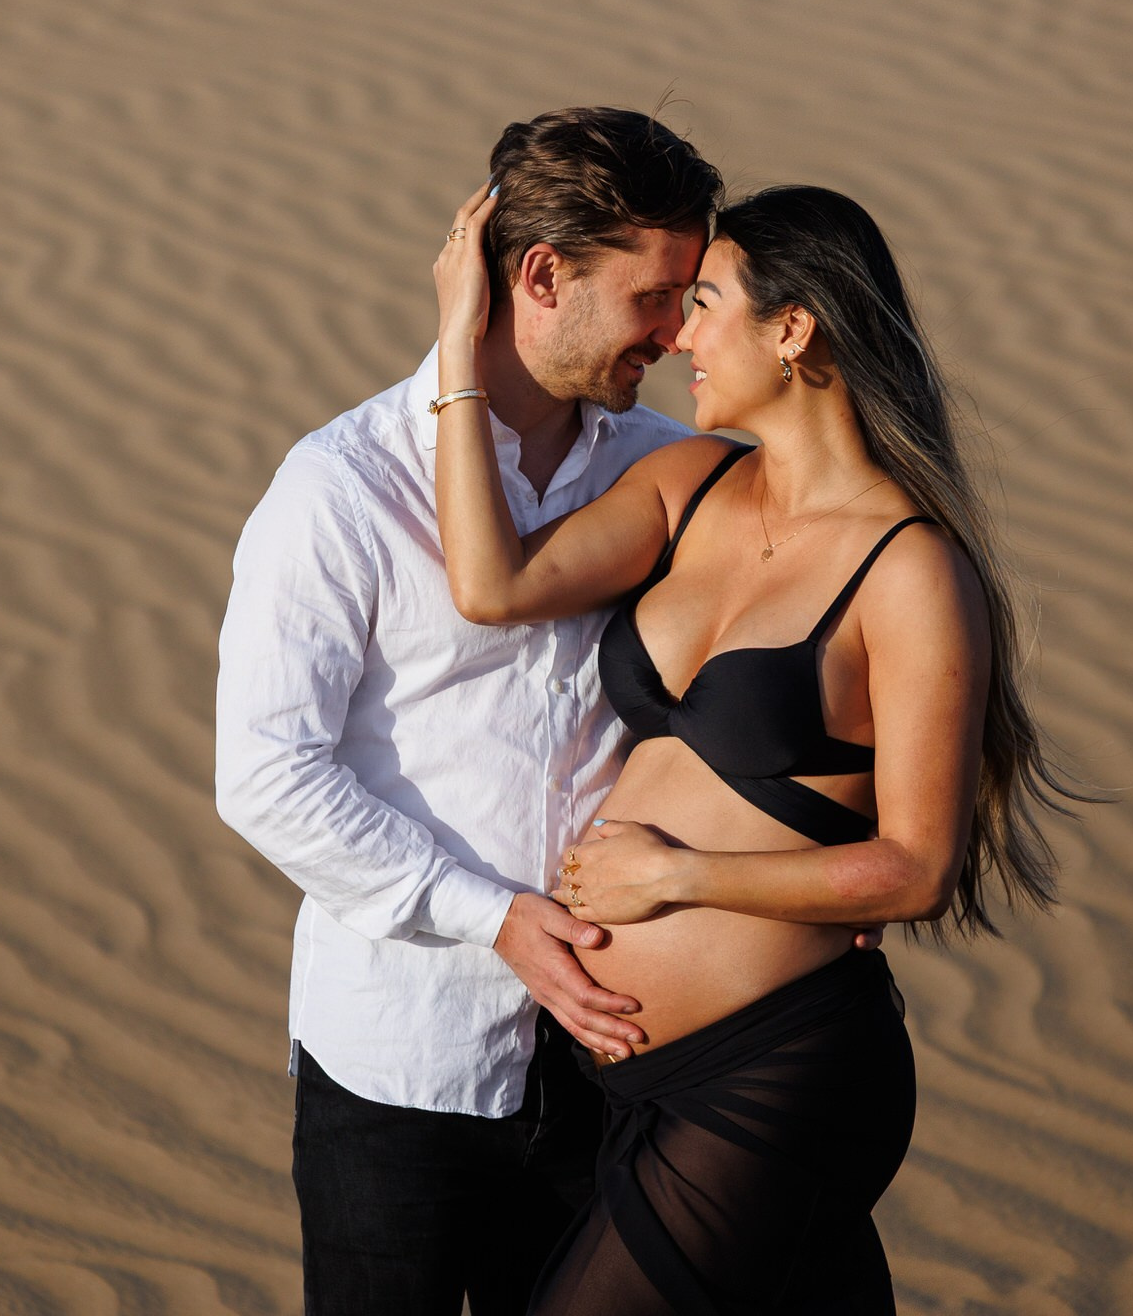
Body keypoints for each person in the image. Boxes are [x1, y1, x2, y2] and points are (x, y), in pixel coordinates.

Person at [430, 180, 1083, 1314]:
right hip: (628, 1080)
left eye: (707, 303)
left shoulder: (911, 571)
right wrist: (458, 348)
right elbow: (494, 584)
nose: (678, 332)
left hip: (779, 1073)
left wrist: (678, 875)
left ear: (794, 329)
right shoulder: (687, 485)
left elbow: (917, 867)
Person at [214, 107, 730, 1316]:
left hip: (621, 1052)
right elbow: (266, 775)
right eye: (657, 295)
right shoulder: (338, 490)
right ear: (542, 274)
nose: (675, 332)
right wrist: (494, 917)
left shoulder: (664, 469)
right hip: (403, 1065)